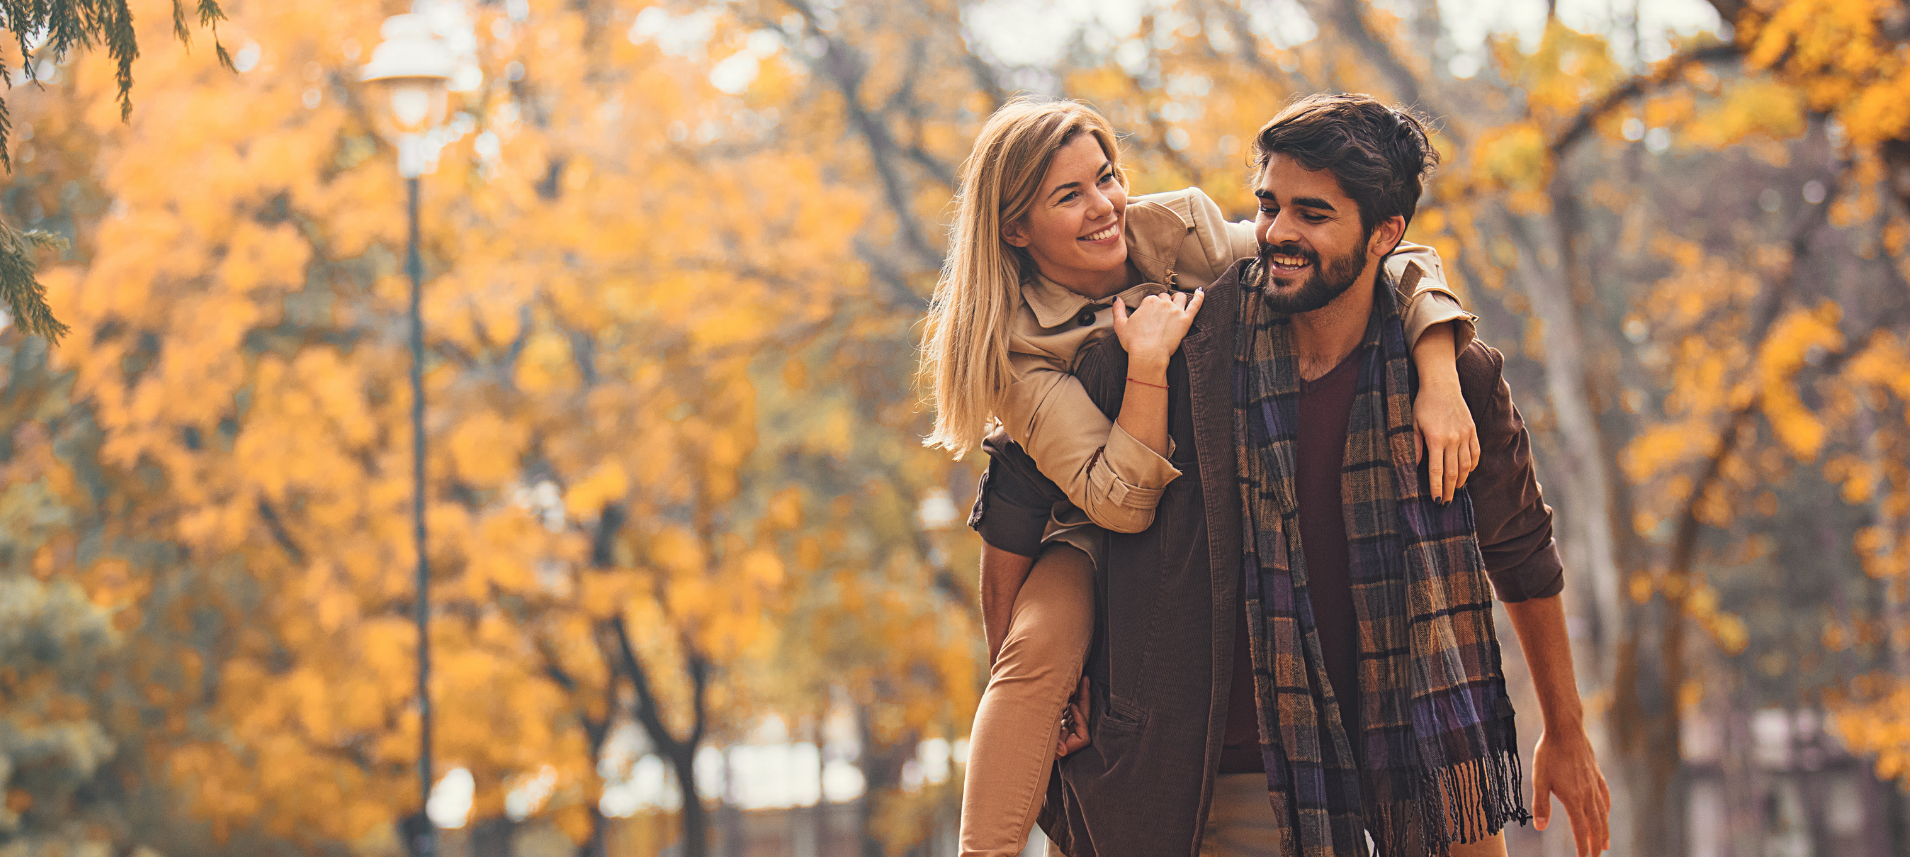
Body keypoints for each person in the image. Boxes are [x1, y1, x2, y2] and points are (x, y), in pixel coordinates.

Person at [967, 94, 1612, 857]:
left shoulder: (1447, 372)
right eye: (1270, 207)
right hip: (1245, 764)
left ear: (1384, 234)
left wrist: (1566, 732)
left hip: (1423, 743)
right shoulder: (1175, 347)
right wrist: (1033, 668)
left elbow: (1522, 549)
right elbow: (1015, 500)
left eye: (1312, 214)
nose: (1277, 233)